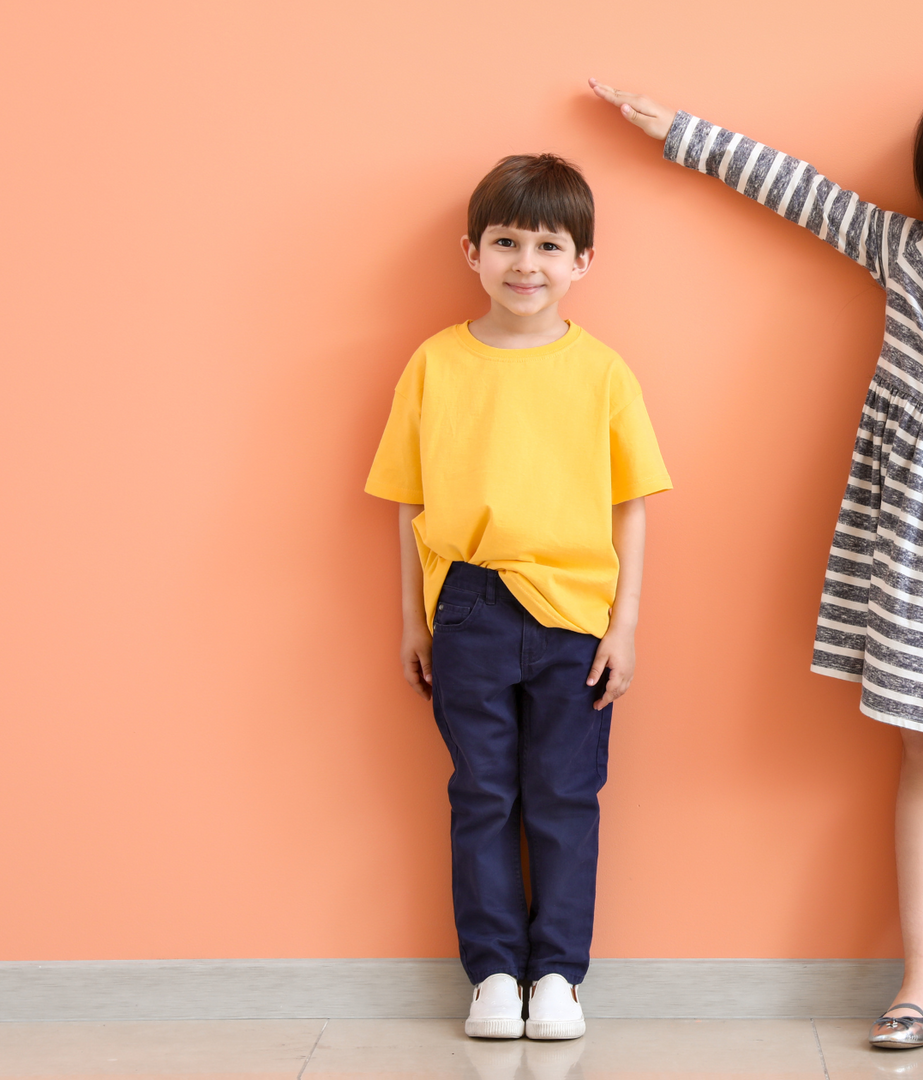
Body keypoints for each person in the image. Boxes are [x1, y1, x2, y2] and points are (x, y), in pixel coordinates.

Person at [593, 73, 923, 1050]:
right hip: (912, 548)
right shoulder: (904, 252)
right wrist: (681, 134)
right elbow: (799, 190)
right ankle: (919, 977)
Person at [364, 153, 673, 1040]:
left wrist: (627, 628)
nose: (525, 263)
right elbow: (409, 503)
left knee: (567, 798)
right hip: (468, 607)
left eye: (549, 245)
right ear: (472, 251)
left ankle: (559, 978)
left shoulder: (604, 373)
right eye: (506, 242)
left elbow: (632, 506)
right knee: (483, 795)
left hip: (577, 617)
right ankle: (495, 972)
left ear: (583, 261)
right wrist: (414, 620)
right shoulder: (434, 364)